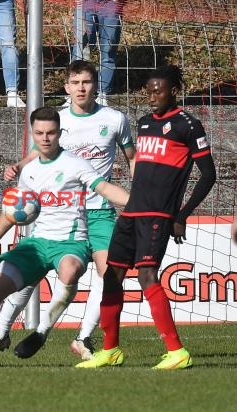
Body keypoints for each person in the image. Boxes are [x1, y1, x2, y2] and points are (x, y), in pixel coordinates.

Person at [0, 106, 130, 368]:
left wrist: (137, 204)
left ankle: (41, 332)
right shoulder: (29, 170)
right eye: (40, 133)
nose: (45, 138)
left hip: (70, 242)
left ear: (60, 133)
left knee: (69, 271)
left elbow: (105, 188)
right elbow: (13, 211)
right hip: (36, 243)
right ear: (33, 134)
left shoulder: (75, 163)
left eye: (51, 133)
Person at [0, 60, 135, 363]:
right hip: (58, 210)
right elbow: (42, 150)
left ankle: (83, 336)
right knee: (29, 274)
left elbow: (132, 156)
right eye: (75, 82)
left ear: (95, 85)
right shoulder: (58, 119)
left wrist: (137, 193)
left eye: (86, 82)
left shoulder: (115, 119)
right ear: (67, 87)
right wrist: (20, 167)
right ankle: (0, 333)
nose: (81, 88)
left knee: (110, 273)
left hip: (100, 210)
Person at [76, 65, 217, 369]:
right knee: (111, 276)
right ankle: (110, 349)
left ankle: (177, 351)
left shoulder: (188, 126)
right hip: (132, 211)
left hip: (158, 214)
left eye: (158, 91)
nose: (152, 96)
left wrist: (182, 214)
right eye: (148, 91)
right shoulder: (143, 124)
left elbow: (208, 175)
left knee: (146, 275)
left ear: (173, 92)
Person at [69, 0, 126, 106]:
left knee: (108, 49)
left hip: (111, 4)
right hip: (85, 3)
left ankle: (103, 93)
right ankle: (75, 92)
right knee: (80, 48)